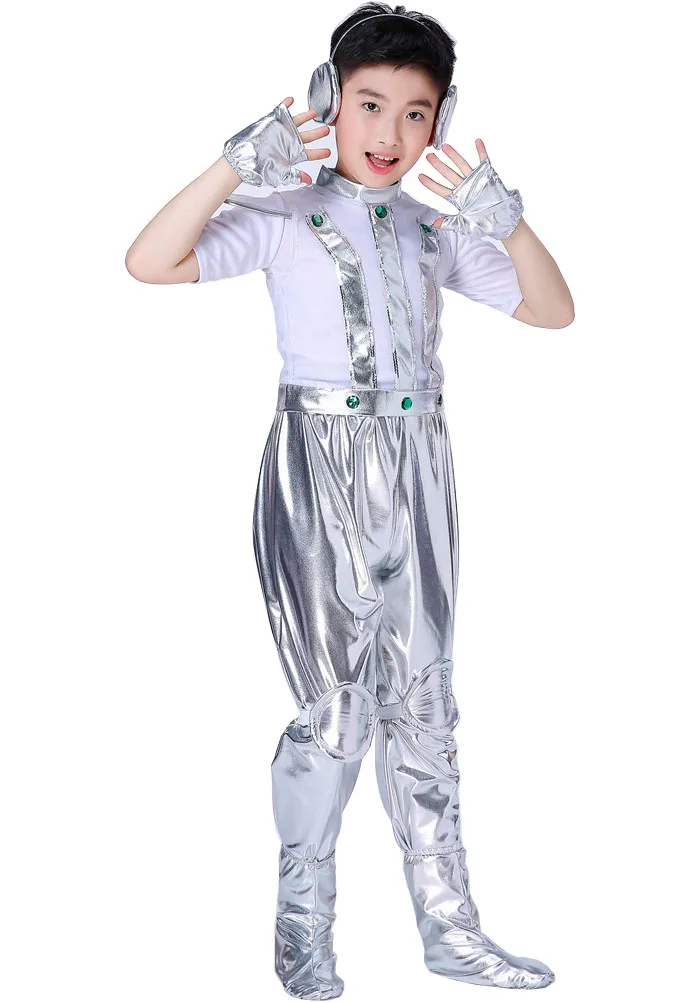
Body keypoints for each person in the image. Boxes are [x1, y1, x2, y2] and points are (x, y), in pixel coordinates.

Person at [125, 3, 574, 997]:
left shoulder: (429, 229)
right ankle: (303, 929)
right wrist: (233, 166)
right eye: (369, 104)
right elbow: (150, 261)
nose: (389, 132)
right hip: (319, 465)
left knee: (426, 702)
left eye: (416, 114)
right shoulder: (285, 214)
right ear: (329, 97)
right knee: (335, 712)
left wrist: (508, 223)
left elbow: (552, 310)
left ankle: (450, 928)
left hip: (419, 465)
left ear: (441, 121)